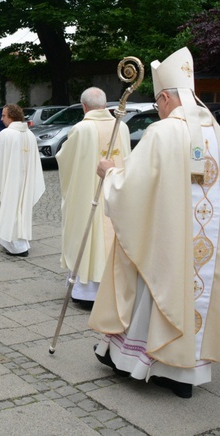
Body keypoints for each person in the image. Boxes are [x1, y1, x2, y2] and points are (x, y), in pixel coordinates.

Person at [89, 47, 220, 399]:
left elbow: (132, 190)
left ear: (165, 97)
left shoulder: (163, 133)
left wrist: (110, 174)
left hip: (170, 244)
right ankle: (185, 374)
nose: (158, 109)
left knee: (158, 283)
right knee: (196, 292)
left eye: (157, 103)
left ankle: (141, 362)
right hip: (210, 251)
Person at [55, 87, 131, 309]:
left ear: (84, 107)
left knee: (87, 235)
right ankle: (114, 288)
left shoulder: (82, 128)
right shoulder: (122, 127)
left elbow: (66, 160)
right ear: (105, 105)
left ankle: (86, 292)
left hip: (87, 196)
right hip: (116, 194)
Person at [0, 104, 45, 257]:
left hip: (10, 181)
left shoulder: (6, 134)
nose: (1, 119)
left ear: (12, 116)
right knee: (22, 210)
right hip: (25, 182)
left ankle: (14, 245)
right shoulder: (30, 135)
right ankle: (20, 241)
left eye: (3, 115)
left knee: (9, 208)